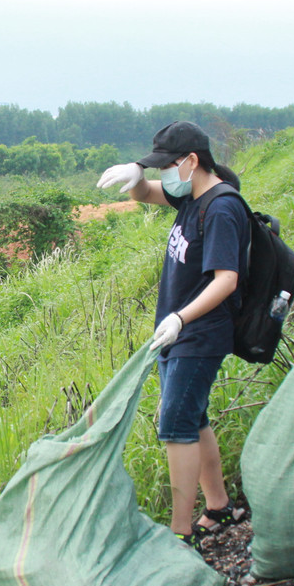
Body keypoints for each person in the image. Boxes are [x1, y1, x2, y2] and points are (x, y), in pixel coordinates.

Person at [96, 121, 248, 551]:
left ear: (193, 161)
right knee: (193, 417)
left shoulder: (220, 208)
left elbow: (227, 279)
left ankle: (181, 533)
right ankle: (218, 507)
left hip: (199, 334)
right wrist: (136, 175)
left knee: (175, 422)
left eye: (168, 165)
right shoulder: (193, 197)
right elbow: (145, 194)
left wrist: (181, 318)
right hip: (177, 333)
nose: (164, 174)